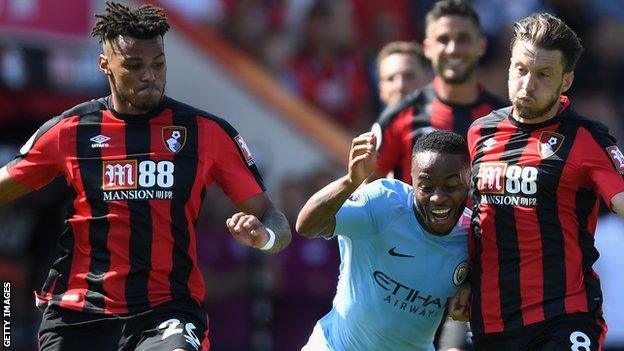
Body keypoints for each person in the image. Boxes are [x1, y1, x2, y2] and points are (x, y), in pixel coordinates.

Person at [0, 2, 291, 350]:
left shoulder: (205, 132)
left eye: (158, 64)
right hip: (78, 311)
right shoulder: (70, 131)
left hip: (166, 311)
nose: (150, 75)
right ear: (105, 66)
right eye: (135, 65)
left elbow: (273, 219)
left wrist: (264, 238)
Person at [467, 12, 624, 350]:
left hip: (564, 317)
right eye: (520, 70)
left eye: (542, 75)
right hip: (490, 323)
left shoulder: (588, 139)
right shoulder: (480, 133)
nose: (527, 84)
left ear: (565, 81)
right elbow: (471, 222)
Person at [296, 130, 472, 350]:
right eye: (426, 187)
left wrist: (469, 286)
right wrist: (351, 181)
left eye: (451, 186)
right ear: (412, 181)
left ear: (468, 181)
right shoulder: (384, 203)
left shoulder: (473, 236)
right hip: (335, 345)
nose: (438, 197)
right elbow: (307, 225)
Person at [372, 0, 505, 183]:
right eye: (443, 39)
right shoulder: (399, 115)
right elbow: (367, 191)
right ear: (427, 48)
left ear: (481, 45)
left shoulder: (504, 119)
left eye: (463, 39)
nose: (453, 49)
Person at [376, 40, 430, 108]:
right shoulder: (381, 118)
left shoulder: (444, 117)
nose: (400, 86)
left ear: (429, 80)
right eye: (391, 79)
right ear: (381, 90)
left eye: (408, 76)